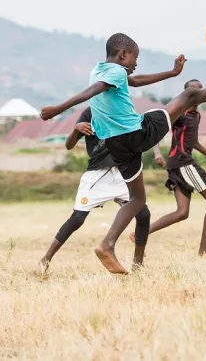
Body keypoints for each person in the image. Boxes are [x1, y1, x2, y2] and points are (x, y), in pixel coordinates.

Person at [39, 33, 206, 274]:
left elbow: (135, 80)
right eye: (135, 57)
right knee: (189, 95)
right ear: (122, 55)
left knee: (137, 199)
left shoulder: (99, 70)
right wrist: (59, 108)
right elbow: (93, 91)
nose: (136, 63)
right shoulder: (113, 74)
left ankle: (107, 245)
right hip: (136, 133)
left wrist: (171, 73)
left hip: (116, 145)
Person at [37, 107, 159, 275]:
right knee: (77, 218)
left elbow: (145, 132)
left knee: (143, 214)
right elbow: (69, 145)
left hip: (123, 172)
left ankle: (138, 266)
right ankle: (45, 261)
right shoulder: (91, 112)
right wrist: (75, 130)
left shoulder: (123, 108)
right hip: (98, 174)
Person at [136, 79, 206, 255]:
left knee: (182, 212)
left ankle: (140, 234)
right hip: (182, 163)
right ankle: (204, 250)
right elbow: (156, 128)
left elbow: (194, 142)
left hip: (178, 164)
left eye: (200, 90)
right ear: (186, 95)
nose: (197, 93)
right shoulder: (179, 114)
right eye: (193, 90)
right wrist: (157, 153)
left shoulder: (196, 116)